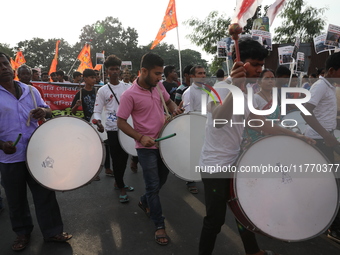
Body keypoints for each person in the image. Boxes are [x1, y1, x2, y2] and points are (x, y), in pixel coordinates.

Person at [198, 38, 314, 255]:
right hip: (214, 166)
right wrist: (235, 89)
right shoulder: (218, 88)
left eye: (261, 65)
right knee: (215, 221)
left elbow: (259, 123)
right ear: (238, 61)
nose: (259, 70)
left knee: (244, 210)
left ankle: (253, 251)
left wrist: (295, 135)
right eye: (254, 64)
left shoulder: (249, 92)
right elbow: (219, 120)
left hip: (236, 161)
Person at [0, 52, 72, 251]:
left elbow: (47, 110)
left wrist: (44, 112)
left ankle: (53, 231)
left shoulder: (31, 91)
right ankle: (22, 233)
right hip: (9, 157)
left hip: (37, 153)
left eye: (5, 64)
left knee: (45, 194)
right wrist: (1, 145)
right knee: (16, 199)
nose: (4, 68)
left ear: (11, 67)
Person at [117, 52, 183, 245]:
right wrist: (140, 137)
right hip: (145, 147)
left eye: (161, 74)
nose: (159, 78)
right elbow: (121, 122)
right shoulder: (129, 95)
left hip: (165, 142)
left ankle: (144, 201)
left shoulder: (158, 85)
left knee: (162, 180)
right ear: (143, 71)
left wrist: (174, 109)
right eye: (156, 74)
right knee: (153, 185)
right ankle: (159, 225)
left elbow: (168, 101)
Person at [302, 52, 340, 243]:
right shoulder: (320, 86)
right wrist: (326, 136)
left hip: (327, 138)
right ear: (331, 70)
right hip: (319, 140)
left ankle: (328, 222)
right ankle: (330, 226)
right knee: (329, 183)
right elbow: (305, 111)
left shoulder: (330, 86)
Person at [93, 55, 133, 203]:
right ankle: (121, 185)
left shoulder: (128, 87)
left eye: (117, 69)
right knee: (117, 158)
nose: (115, 72)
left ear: (120, 70)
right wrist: (98, 122)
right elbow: (97, 110)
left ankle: (119, 181)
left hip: (127, 127)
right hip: (112, 128)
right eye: (112, 69)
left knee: (124, 157)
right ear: (107, 72)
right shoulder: (103, 90)